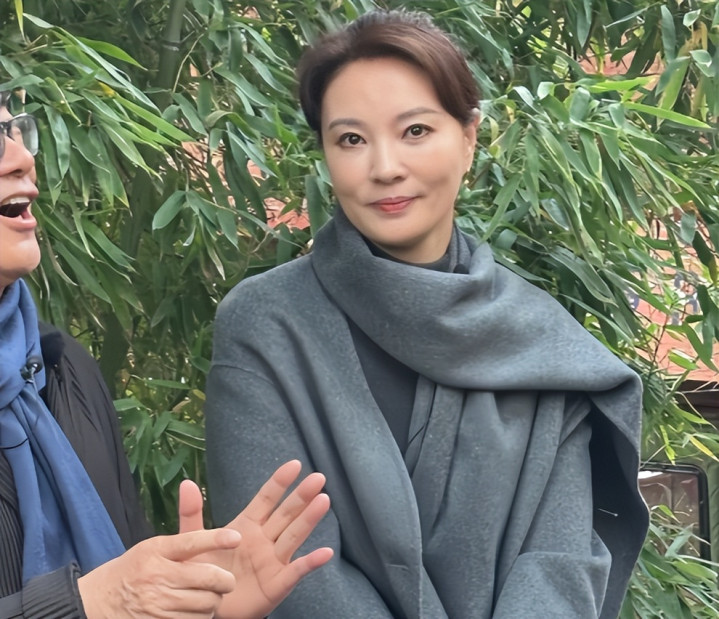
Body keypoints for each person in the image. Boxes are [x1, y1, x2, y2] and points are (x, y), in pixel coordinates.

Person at [204, 9, 649, 619]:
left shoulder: (543, 343)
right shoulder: (266, 324)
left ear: (469, 137)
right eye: (351, 139)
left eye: (415, 130)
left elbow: (559, 562)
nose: (385, 167)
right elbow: (292, 567)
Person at [0, 91, 333, 618]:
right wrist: (83, 605)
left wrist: (200, 605)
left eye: (15, 131)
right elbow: (106, 598)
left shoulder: (60, 370)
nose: (21, 157)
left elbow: (128, 579)